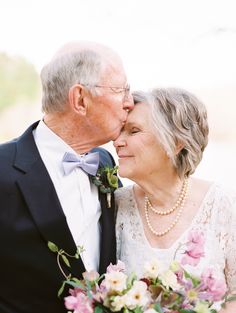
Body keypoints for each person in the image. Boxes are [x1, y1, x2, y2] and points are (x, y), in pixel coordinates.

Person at [0, 41, 133, 313]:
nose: (129, 102)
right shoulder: (3, 168)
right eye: (121, 90)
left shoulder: (104, 162)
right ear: (80, 100)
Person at [114, 88, 236, 312]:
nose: (117, 141)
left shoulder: (225, 205)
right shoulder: (116, 205)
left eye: (133, 131)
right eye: (121, 130)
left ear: (176, 142)